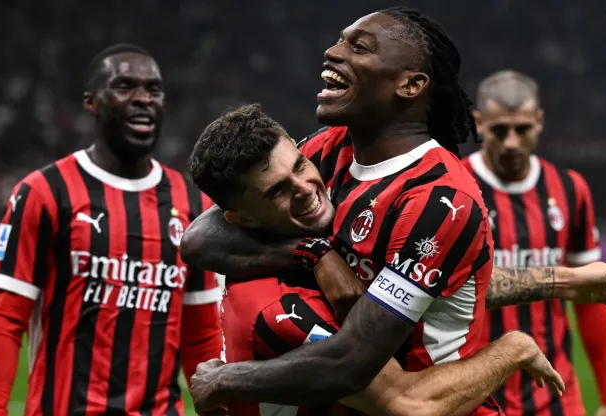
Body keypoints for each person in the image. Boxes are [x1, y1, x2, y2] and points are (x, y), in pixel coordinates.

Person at [182, 7, 606, 413]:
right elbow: (201, 237)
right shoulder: (328, 149)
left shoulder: (439, 199)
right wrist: (315, 254)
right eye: (340, 40)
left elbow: (353, 364)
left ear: (410, 84)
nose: (332, 52)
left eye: (357, 47)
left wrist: (222, 378)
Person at [189, 103, 565, 416]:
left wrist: (565, 282)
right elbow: (409, 404)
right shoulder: (284, 308)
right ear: (242, 218)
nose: (305, 190)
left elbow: (422, 285)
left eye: (301, 165)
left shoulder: (293, 250)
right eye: (278, 192)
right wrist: (513, 349)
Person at [0, 44, 222, 415]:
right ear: (92, 102)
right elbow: (4, 323)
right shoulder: (43, 193)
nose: (143, 99)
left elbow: (202, 336)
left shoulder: (193, 206)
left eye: (154, 90)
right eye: (125, 86)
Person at [462, 70, 606, 416]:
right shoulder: (452, 189)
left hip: (557, 395)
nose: (511, 142)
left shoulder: (570, 190)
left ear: (540, 121)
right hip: (472, 396)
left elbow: (589, 299)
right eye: (499, 130)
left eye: (523, 129)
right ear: (478, 122)